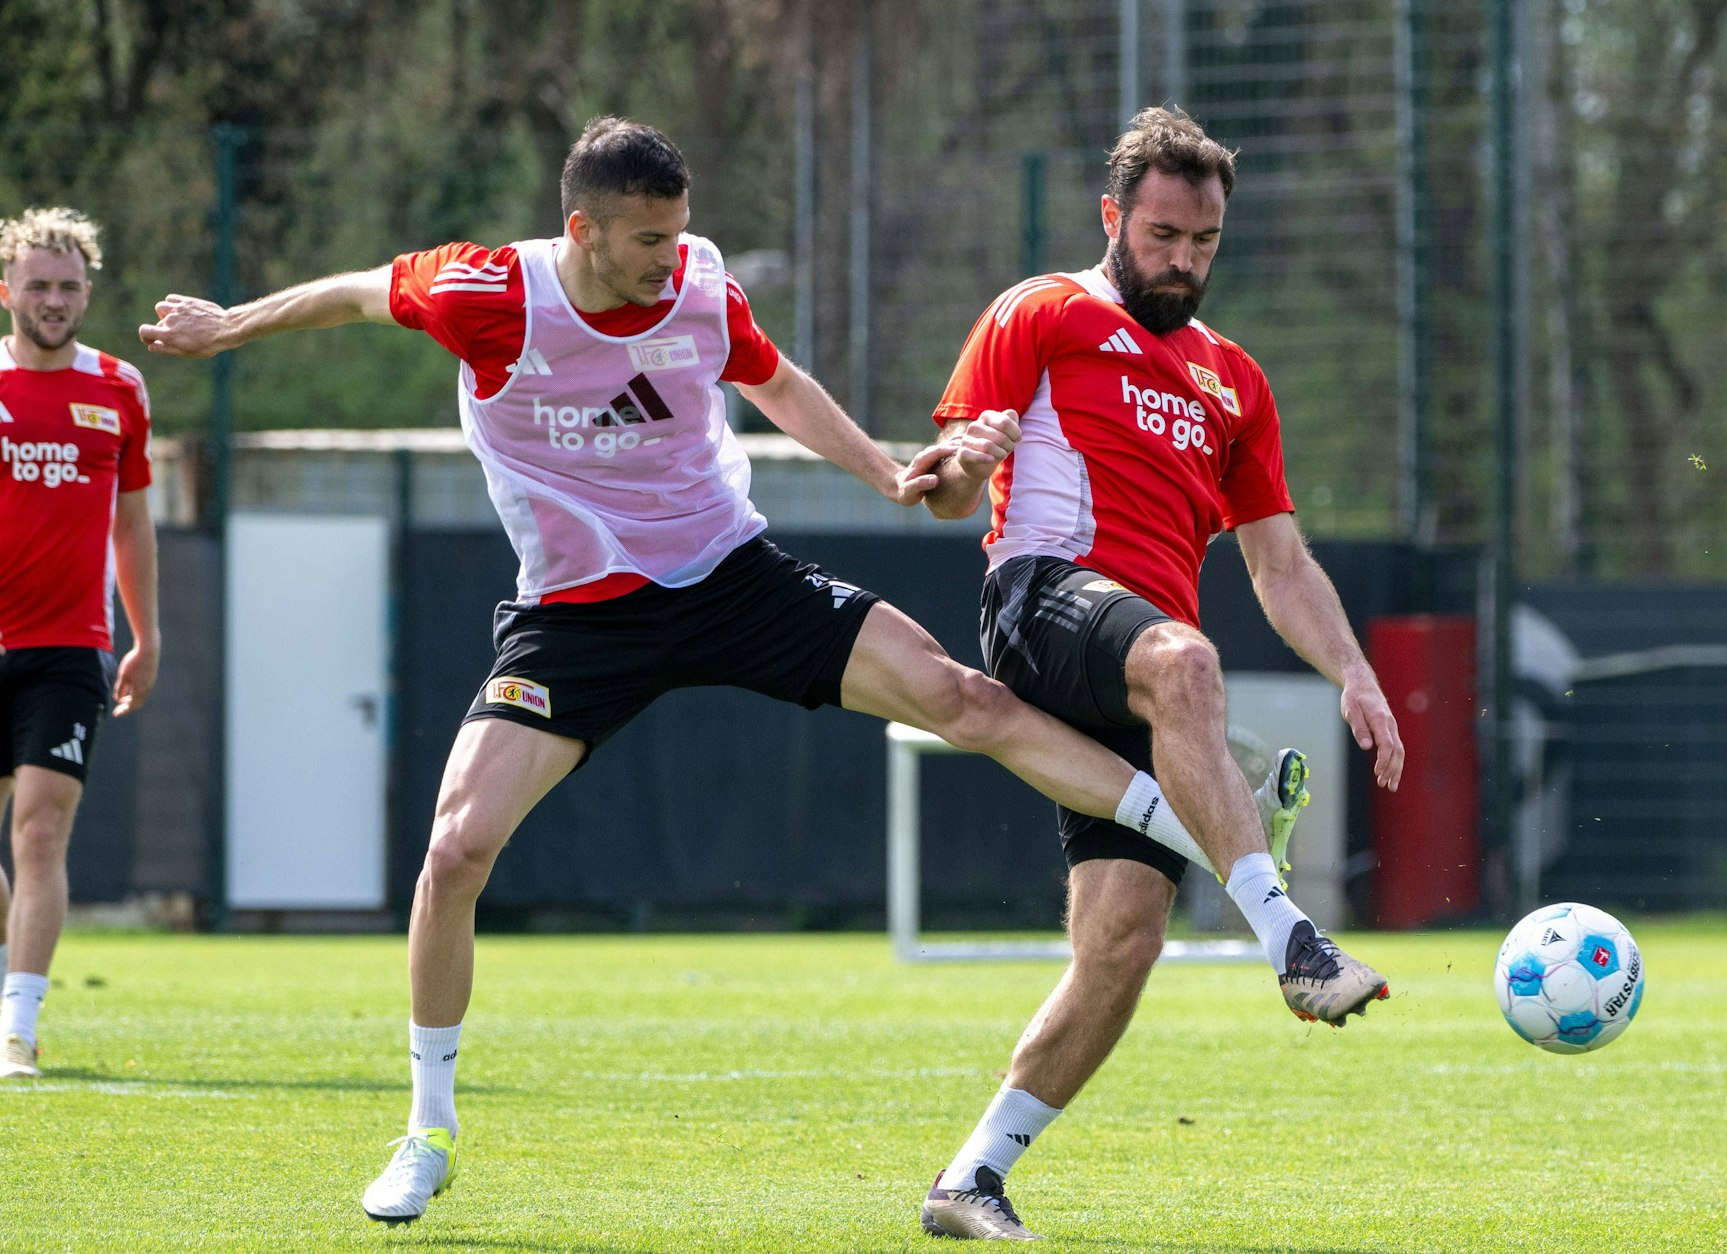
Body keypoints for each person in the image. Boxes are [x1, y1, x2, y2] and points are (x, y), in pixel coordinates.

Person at [139, 116, 1250, 1226]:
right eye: (644, 244)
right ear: (580, 229)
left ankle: (1203, 833)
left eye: (678, 235)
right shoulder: (484, 294)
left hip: (728, 577)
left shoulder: (699, 282)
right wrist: (230, 324)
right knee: (455, 849)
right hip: (576, 619)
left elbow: (774, 380)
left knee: (962, 697)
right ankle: (426, 1132)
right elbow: (352, 293)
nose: (669, 260)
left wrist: (880, 473)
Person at [914, 107, 1406, 1240]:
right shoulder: (1040, 312)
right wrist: (956, 468)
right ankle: (1290, 935)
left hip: (1143, 669)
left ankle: (969, 1179)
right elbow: (943, 489)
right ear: (1112, 218)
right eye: (1162, 235)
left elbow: (1279, 562)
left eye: (1203, 242)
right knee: (1185, 659)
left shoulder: (1233, 379)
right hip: (1041, 602)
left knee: (1121, 944)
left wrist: (1352, 672)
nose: (1181, 260)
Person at [0, 208, 161, 1081]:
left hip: (70, 647)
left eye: (67, 287)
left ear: (86, 293)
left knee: (36, 834)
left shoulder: (119, 389)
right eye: (38, 286)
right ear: (7, 293)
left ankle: (18, 1030)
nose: (53, 300)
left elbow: (133, 523)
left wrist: (148, 634)